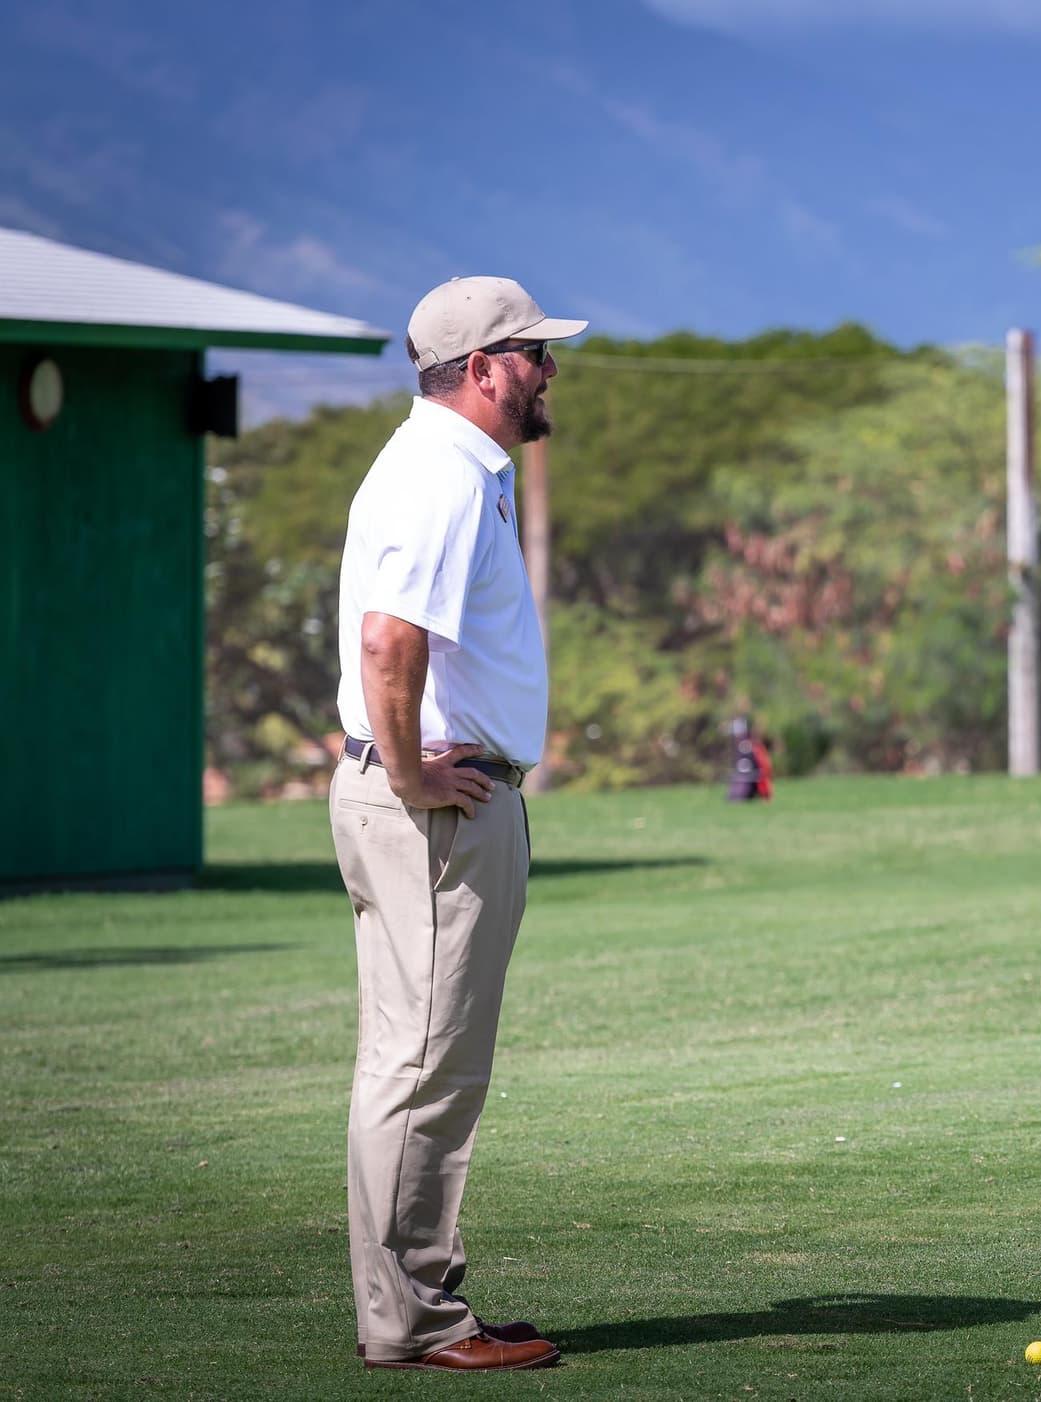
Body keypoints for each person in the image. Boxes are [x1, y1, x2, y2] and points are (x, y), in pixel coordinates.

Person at [329, 276, 586, 1370]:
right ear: (481, 371)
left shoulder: (452, 467)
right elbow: (391, 643)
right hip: (437, 804)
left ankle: (422, 1301)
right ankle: (416, 1321)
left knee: (419, 1059)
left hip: (449, 796)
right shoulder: (439, 474)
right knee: (423, 1065)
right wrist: (410, 777)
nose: (548, 369)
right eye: (531, 352)